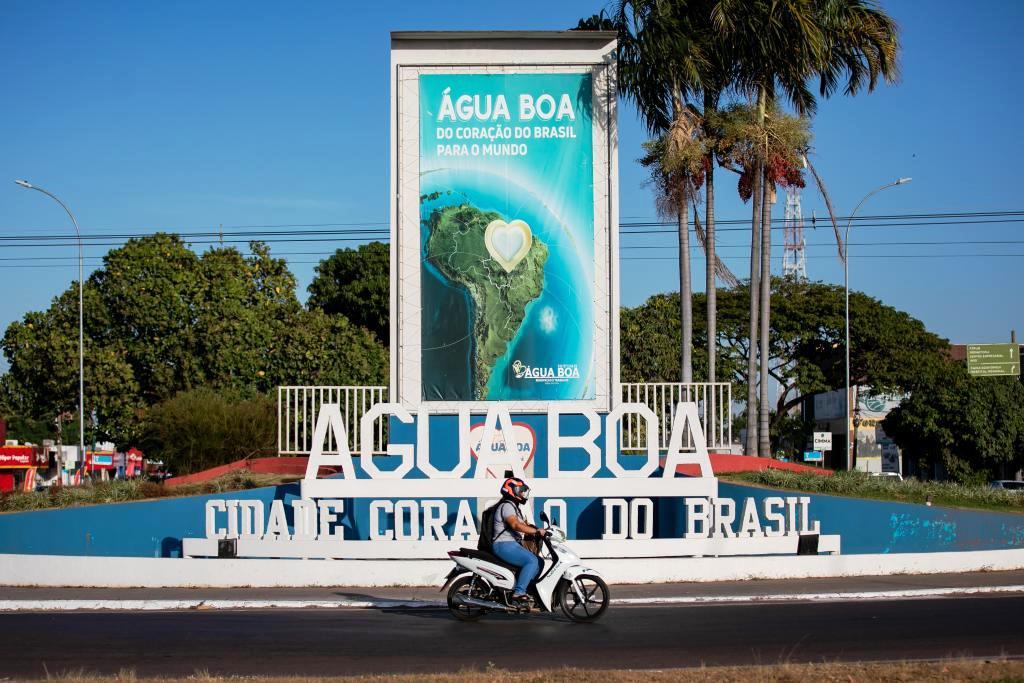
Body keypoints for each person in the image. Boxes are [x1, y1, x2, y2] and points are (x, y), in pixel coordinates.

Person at [491, 476, 547, 604]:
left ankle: (525, 588)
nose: (522, 493)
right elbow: (515, 525)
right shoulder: (507, 506)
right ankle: (519, 592)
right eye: (520, 490)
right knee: (532, 561)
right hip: (503, 545)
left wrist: (537, 530)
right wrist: (536, 531)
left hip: (512, 544)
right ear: (511, 490)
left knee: (539, 561)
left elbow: (522, 526)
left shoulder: (514, 507)